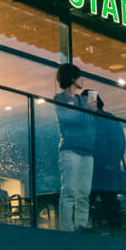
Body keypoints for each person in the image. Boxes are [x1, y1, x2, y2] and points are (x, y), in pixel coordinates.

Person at [53, 63, 97, 232]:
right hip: (70, 149)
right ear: (72, 78)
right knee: (69, 190)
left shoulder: (82, 100)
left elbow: (89, 120)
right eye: (79, 76)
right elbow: (68, 117)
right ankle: (67, 229)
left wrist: (89, 107)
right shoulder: (60, 98)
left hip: (86, 151)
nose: (82, 80)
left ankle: (81, 225)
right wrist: (87, 109)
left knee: (84, 193)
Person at [89, 94, 126, 230]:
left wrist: (110, 162)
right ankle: (115, 230)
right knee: (110, 203)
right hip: (105, 169)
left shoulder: (92, 119)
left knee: (86, 201)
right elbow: (119, 143)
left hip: (97, 168)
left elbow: (118, 143)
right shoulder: (108, 118)